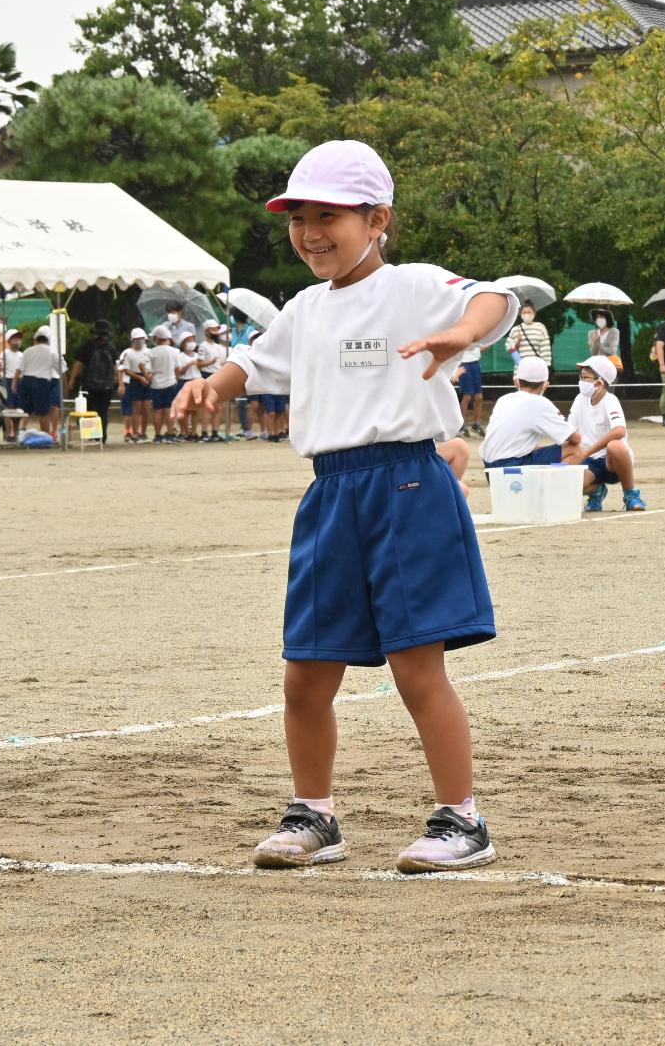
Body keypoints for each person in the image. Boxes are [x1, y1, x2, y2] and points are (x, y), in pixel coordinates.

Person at [172, 138, 517, 874]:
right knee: (305, 670)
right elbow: (254, 360)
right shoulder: (304, 308)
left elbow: (496, 296)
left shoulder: (414, 286)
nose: (310, 232)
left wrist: (462, 331)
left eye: (329, 214)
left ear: (378, 218)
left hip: (407, 485)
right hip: (330, 492)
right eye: (298, 217)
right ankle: (314, 814)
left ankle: (463, 818)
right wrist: (213, 384)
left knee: (416, 665)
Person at [571, 355, 646, 510]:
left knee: (615, 445)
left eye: (585, 377)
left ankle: (631, 494)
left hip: (612, 462)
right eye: (581, 376)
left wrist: (586, 452)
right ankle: (597, 491)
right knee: (570, 483)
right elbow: (569, 430)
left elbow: (619, 430)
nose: (581, 381)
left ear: (600, 381)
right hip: (589, 463)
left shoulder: (610, 400)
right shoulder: (580, 399)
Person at [479, 356, 582, 469]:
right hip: (511, 465)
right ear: (545, 384)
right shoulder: (540, 403)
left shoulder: (504, 399)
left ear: (517, 381)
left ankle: (547, 479)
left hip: (491, 468)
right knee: (575, 450)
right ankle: (552, 482)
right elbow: (575, 439)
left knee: (539, 449)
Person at [67, 321, 120, 445]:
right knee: (103, 411)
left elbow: (79, 364)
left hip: (89, 384)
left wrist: (72, 379)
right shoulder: (111, 347)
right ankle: (102, 437)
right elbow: (115, 366)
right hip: (107, 386)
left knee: (90, 409)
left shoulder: (87, 346)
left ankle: (92, 436)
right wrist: (116, 379)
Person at [20, 325, 63, 440]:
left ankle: (52, 432)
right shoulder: (34, 350)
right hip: (43, 379)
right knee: (41, 408)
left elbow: (61, 367)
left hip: (52, 378)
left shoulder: (54, 350)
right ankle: (27, 428)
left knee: (51, 407)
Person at [146, 324, 180, 443]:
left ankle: (157, 435)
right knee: (169, 410)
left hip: (156, 385)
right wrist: (177, 379)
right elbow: (177, 369)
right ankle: (170, 434)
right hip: (171, 383)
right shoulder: (175, 351)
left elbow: (148, 370)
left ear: (157, 338)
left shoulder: (151, 352)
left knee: (157, 410)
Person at [120, 327, 153, 444]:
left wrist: (148, 376)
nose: (140, 341)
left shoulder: (149, 352)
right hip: (135, 380)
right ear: (133, 340)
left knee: (146, 409)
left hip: (147, 379)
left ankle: (143, 432)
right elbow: (126, 370)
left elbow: (152, 367)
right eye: (137, 339)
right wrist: (139, 378)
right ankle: (135, 433)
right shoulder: (128, 353)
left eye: (142, 339)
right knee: (136, 409)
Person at [175, 336, 204, 441]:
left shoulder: (197, 355)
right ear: (183, 343)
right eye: (188, 341)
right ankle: (186, 432)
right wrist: (189, 364)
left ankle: (194, 432)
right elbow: (180, 372)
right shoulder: (180, 356)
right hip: (185, 381)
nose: (191, 343)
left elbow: (202, 367)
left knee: (195, 410)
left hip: (196, 380)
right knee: (186, 409)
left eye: (192, 340)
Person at [453, 345, 484, 438]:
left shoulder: (478, 334)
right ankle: (461, 425)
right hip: (464, 364)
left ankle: (476, 424)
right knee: (467, 396)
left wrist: (482, 347)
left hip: (475, 363)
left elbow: (482, 348)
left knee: (479, 397)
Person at [586, 309, 624, 383]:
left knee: (610, 390)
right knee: (597, 390)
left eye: (602, 317)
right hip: (596, 367)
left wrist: (597, 343)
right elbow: (593, 353)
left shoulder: (614, 332)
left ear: (607, 319)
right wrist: (595, 341)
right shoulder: (592, 333)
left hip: (610, 366)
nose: (599, 319)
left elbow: (611, 351)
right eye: (597, 317)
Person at [0, 328, 25, 437]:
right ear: (8, 341)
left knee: (19, 408)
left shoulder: (21, 355)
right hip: (7, 381)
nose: (17, 341)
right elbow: (0, 368)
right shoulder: (4, 354)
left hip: (19, 382)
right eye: (14, 339)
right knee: (9, 407)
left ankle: (17, 431)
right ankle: (9, 432)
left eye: (18, 339)